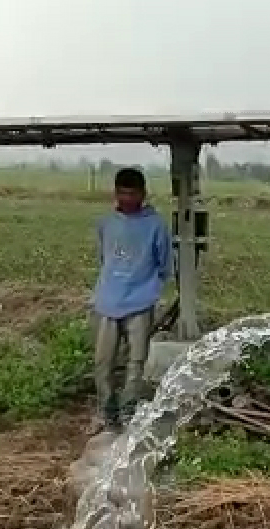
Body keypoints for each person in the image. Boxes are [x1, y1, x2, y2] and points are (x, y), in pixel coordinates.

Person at [91, 167, 173, 432]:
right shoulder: (106, 223)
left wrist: (150, 290)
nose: (127, 198)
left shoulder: (156, 225)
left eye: (132, 193)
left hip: (140, 302)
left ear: (143, 194)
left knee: (136, 361)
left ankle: (128, 411)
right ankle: (107, 412)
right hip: (107, 301)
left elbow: (164, 265)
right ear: (115, 193)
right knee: (104, 362)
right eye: (122, 193)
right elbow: (104, 258)